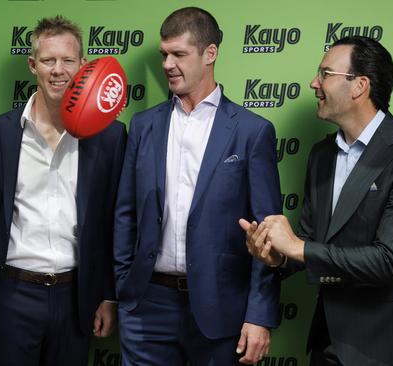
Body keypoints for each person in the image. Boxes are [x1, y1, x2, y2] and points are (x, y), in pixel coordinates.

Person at [241, 36, 393, 365]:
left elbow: (387, 261)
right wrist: (276, 256)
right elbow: (310, 237)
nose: (314, 83)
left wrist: (296, 247)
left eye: (325, 73)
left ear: (359, 86)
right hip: (329, 341)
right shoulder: (322, 154)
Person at [114, 7, 282, 365]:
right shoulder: (143, 126)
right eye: (164, 55)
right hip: (147, 307)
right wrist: (123, 287)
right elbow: (125, 213)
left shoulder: (252, 131)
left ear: (210, 54)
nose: (168, 65)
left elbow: (269, 233)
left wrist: (259, 313)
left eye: (179, 54)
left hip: (222, 309)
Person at [0, 15, 127, 366]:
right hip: (12, 294)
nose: (58, 70)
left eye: (67, 60)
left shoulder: (110, 136)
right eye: (48, 60)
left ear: (83, 67)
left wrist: (108, 295)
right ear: (33, 65)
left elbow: (113, 221)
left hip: (76, 297)